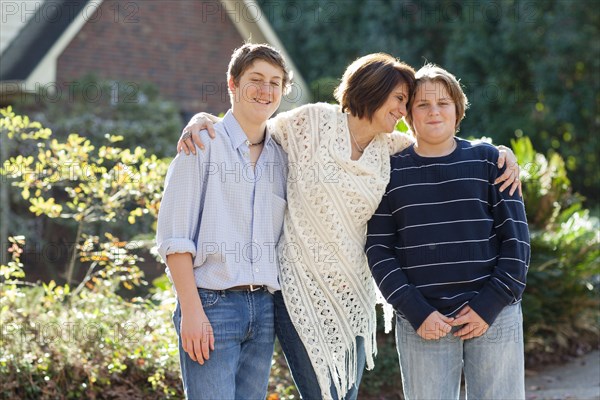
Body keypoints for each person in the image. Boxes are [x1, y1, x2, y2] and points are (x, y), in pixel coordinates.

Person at [177, 53, 521, 399]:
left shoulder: (392, 149)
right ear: (375, 89)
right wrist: (203, 120)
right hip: (298, 292)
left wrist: (501, 153)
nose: (404, 112)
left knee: (347, 393)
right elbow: (252, 126)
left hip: (353, 297)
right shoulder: (310, 124)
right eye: (401, 99)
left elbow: (444, 143)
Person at [365, 64, 529, 400]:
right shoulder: (389, 171)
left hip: (494, 315)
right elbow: (379, 250)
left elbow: (517, 243)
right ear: (408, 116)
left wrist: (490, 304)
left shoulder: (489, 161)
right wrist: (416, 310)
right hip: (423, 321)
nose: (434, 111)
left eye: (443, 103)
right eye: (422, 105)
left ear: (458, 109)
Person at [155, 43, 290, 399]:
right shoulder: (201, 145)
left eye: (275, 82)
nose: (265, 90)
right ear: (232, 83)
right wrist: (192, 312)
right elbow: (175, 239)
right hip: (212, 306)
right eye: (255, 79)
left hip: (263, 310)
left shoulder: (282, 156)